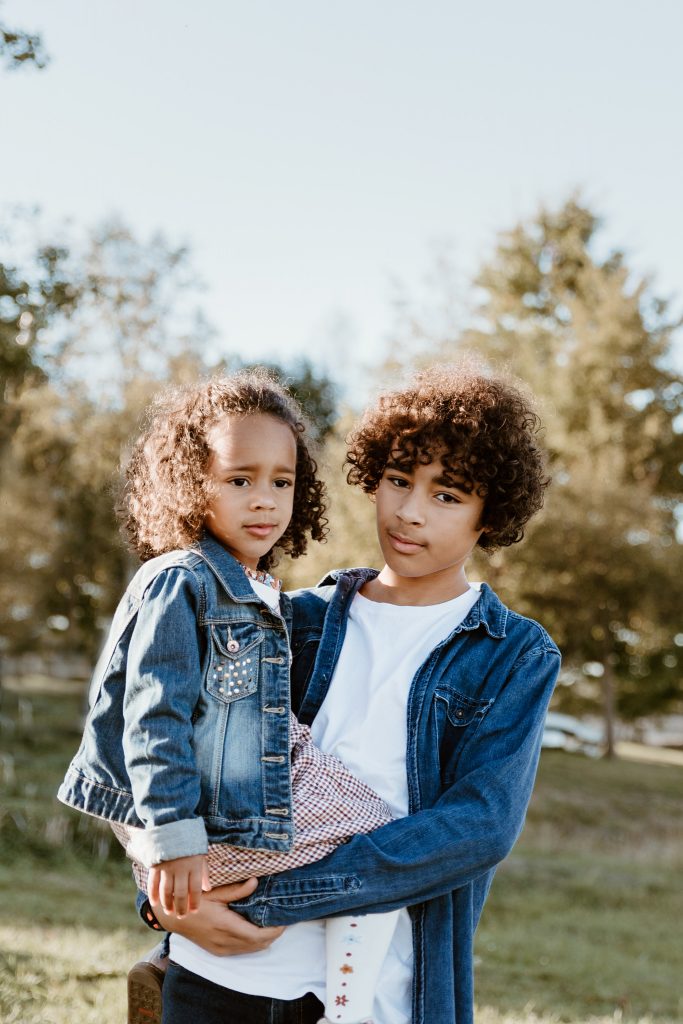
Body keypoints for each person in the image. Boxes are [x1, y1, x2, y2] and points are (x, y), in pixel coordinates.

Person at [148, 361, 562, 1024]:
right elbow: (160, 744)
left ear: (491, 513)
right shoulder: (289, 619)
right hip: (217, 971)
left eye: (446, 495)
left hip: (372, 989)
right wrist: (168, 898)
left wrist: (273, 896)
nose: (407, 511)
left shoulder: (513, 653)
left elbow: (479, 826)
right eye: (398, 481)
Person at [57, 370, 403, 1024]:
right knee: (382, 837)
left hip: (228, 807)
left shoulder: (256, 584)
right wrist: (173, 840)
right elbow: (154, 719)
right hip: (207, 823)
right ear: (191, 483)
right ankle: (350, 1007)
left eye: (281, 481)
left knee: (368, 833)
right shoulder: (181, 581)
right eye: (239, 479)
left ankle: (173, 968)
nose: (264, 500)